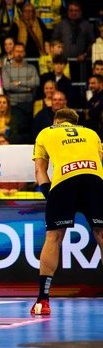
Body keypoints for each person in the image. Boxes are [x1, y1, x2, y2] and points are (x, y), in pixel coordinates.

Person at [31, 107, 103, 316]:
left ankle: (43, 300)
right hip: (94, 180)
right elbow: (99, 161)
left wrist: (48, 192)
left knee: (54, 238)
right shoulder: (91, 133)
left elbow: (40, 170)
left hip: (65, 181)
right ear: (75, 122)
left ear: (56, 121)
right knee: (101, 234)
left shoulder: (46, 132)